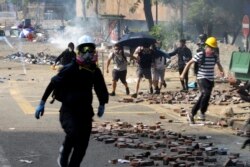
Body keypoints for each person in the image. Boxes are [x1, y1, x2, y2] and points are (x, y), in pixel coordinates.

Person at [35, 35, 109, 167]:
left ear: (94, 52)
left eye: (90, 50)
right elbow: (53, 83)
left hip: (86, 111)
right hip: (69, 111)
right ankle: (63, 154)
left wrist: (102, 103)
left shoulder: (94, 71)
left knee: (82, 145)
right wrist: (42, 103)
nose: (87, 54)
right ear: (79, 52)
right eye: (84, 50)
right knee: (74, 132)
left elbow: (100, 87)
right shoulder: (70, 68)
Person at [180, 37, 224, 124]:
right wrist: (183, 74)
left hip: (210, 79)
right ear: (206, 46)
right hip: (201, 77)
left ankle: (192, 113)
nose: (212, 50)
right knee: (206, 93)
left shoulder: (215, 56)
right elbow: (189, 63)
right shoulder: (200, 54)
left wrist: (222, 72)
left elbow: (219, 65)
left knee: (204, 96)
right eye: (210, 48)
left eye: (213, 48)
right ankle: (202, 112)